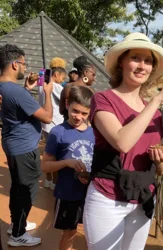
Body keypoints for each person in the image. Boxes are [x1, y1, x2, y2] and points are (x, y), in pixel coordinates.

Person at [83, 32, 163, 250]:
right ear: (121, 63)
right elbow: (122, 142)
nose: (142, 65)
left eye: (148, 61)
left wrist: (160, 160)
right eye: (136, 58)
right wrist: (158, 99)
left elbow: (160, 169)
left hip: (143, 199)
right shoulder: (103, 99)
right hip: (108, 198)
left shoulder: (156, 115)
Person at [0, 44, 53, 247]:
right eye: (23, 63)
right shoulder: (15, 92)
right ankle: (18, 233)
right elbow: (47, 117)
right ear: (15, 64)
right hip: (23, 149)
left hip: (13, 145)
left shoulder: (5, 89)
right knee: (26, 192)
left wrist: (27, 89)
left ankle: (15, 224)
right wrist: (47, 92)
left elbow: (14, 107)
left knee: (17, 188)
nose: (25, 68)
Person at [41, 86, 94, 250]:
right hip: (68, 193)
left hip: (91, 193)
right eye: (75, 111)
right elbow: (45, 166)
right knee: (69, 233)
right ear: (67, 104)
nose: (79, 117)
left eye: (84, 113)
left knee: (92, 233)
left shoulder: (95, 133)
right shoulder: (58, 132)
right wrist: (66, 163)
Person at [38, 57, 66, 190]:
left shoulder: (41, 84)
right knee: (54, 156)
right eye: (62, 78)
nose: (63, 81)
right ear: (56, 75)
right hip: (55, 124)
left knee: (47, 154)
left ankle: (48, 180)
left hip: (45, 124)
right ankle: (54, 181)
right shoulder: (56, 87)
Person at [60, 56, 96, 121]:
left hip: (66, 125)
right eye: (93, 75)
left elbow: (61, 110)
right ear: (85, 72)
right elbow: (93, 115)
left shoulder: (67, 87)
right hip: (82, 127)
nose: (94, 79)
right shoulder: (90, 91)